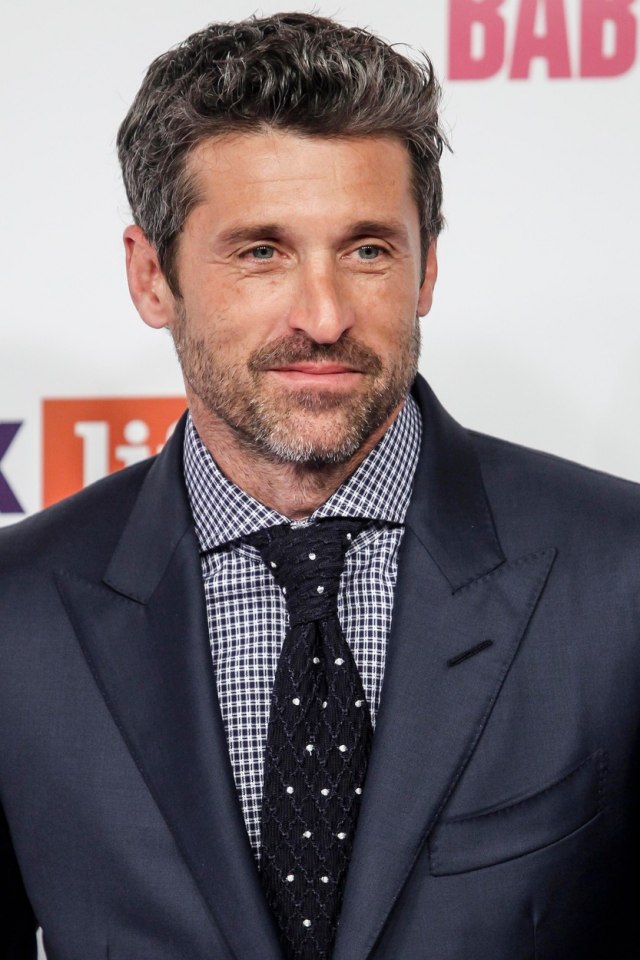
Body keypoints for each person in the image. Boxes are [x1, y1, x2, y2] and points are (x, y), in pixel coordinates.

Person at [0, 11, 638, 960]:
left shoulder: (619, 577)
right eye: (261, 252)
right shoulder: (15, 613)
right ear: (151, 277)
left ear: (427, 267)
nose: (326, 315)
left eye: (368, 249)